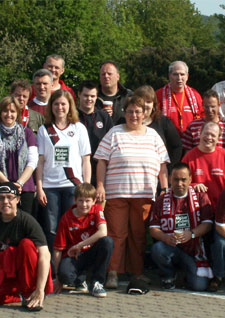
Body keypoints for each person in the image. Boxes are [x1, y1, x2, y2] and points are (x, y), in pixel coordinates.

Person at [94, 94, 170, 288]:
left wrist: (165, 189)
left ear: (145, 113)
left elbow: (162, 166)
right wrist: (100, 185)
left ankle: (137, 273)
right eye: (130, 112)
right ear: (124, 113)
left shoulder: (153, 135)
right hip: (116, 193)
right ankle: (113, 272)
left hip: (144, 194)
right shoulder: (114, 132)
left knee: (138, 236)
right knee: (117, 234)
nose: (134, 115)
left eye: (138, 111)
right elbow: (102, 161)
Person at [0, 183, 53, 310]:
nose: (5, 202)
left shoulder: (27, 221)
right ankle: (18, 297)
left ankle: (30, 294)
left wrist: (40, 289)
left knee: (26, 244)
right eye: (1, 198)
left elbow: (45, 255)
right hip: (4, 274)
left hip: (28, 277)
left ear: (18, 200)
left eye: (9, 197)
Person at [36, 89, 92, 247]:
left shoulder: (79, 128)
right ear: (51, 106)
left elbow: (85, 159)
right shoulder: (44, 130)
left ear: (70, 106)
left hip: (73, 186)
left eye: (63, 104)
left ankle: (71, 265)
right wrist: (39, 188)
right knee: (51, 229)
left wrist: (85, 185)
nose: (59, 107)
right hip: (49, 187)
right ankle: (53, 267)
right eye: (56, 104)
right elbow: (40, 161)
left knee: (73, 227)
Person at [149, 163, 214, 291]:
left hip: (193, 251)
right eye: (176, 179)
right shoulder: (161, 200)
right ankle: (168, 276)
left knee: (199, 286)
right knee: (158, 248)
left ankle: (185, 275)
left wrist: (192, 234)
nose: (179, 184)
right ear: (169, 179)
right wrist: (165, 238)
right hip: (171, 247)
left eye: (183, 180)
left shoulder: (200, 196)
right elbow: (153, 229)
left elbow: (208, 224)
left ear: (190, 179)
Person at [52, 183, 113, 298]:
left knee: (107, 241)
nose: (84, 205)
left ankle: (97, 282)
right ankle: (80, 280)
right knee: (65, 276)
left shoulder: (97, 209)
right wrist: (57, 277)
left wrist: (80, 245)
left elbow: (103, 232)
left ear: (94, 201)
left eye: (88, 201)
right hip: (75, 256)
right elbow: (57, 250)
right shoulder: (66, 218)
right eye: (80, 200)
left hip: (91, 252)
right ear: (74, 200)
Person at [0, 97, 38, 216]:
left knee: (23, 224)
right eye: (5, 111)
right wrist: (7, 184)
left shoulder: (27, 133)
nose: (9, 114)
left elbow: (32, 161)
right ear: (0, 113)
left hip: (24, 188)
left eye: (12, 111)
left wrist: (19, 183)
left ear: (18, 113)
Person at [120, 85, 183, 170]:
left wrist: (169, 170)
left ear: (154, 104)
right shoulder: (123, 122)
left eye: (149, 101)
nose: (145, 105)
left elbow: (177, 147)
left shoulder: (163, 122)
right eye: (142, 101)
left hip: (157, 176)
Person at [181, 122, 225, 207]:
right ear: (200, 134)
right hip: (196, 210)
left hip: (220, 209)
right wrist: (193, 186)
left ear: (218, 138)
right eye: (206, 134)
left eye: (213, 135)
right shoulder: (189, 157)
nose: (209, 137)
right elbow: (180, 183)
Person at [76, 80, 113, 186]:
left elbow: (112, 143)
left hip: (100, 172)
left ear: (96, 97)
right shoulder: (72, 117)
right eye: (86, 95)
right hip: (77, 171)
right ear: (79, 94)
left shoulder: (104, 117)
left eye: (92, 96)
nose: (89, 99)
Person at [156, 61, 204, 132]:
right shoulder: (159, 95)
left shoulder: (195, 95)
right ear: (169, 76)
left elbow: (202, 116)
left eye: (182, 74)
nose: (179, 78)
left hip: (190, 139)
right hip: (167, 139)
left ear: (187, 76)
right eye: (175, 74)